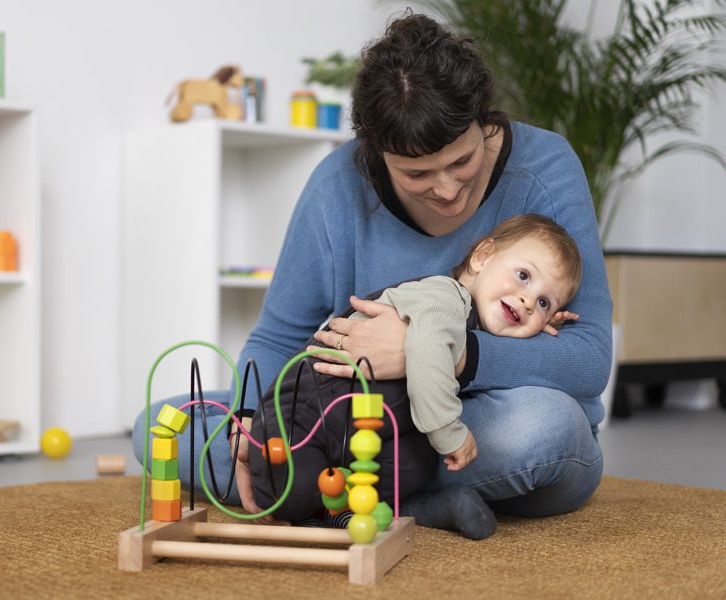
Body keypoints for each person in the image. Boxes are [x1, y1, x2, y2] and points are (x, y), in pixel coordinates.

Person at [133, 11, 611, 537]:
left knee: (545, 428)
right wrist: (248, 422)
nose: (448, 190)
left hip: (488, 422)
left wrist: (438, 353)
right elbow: (278, 335)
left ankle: (330, 496)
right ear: (376, 156)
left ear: (484, 123)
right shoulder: (337, 183)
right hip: (354, 425)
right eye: (417, 174)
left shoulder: (545, 168)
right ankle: (404, 504)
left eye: (462, 162)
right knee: (160, 427)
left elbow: (589, 359)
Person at [247, 214, 582, 539]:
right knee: (292, 489)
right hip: (311, 407)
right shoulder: (446, 298)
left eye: (543, 303)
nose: (526, 302)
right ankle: (274, 472)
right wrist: (450, 433)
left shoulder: (477, 320)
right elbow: (430, 355)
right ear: (482, 257)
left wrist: (535, 330)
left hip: (370, 431)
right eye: (523, 275)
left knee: (417, 463)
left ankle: (366, 508)